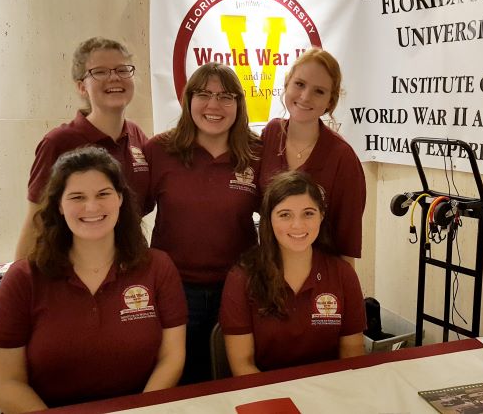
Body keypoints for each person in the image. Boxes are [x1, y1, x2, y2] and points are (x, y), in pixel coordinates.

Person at [0, 146, 186, 412]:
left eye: (103, 194)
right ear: (59, 205)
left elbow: (171, 358)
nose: (91, 207)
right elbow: (7, 384)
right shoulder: (23, 279)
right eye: (77, 197)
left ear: (120, 199)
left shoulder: (158, 267)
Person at [144, 63, 261, 384]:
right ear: (188, 99)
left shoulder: (256, 153)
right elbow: (125, 216)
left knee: (230, 376)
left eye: (225, 96)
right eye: (204, 94)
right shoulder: (159, 150)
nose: (214, 105)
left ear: (239, 103)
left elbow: (281, 217)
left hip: (239, 288)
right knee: (181, 378)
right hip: (175, 289)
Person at [15, 37, 150, 261]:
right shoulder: (59, 142)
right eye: (100, 72)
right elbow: (36, 220)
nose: (114, 77)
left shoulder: (138, 137)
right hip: (71, 273)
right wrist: (19, 283)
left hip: (128, 268)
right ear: (81, 87)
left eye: (123, 69)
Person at [220, 170, 366, 375]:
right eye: (285, 214)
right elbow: (242, 366)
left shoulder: (343, 274)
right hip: (266, 394)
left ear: (321, 216)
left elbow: (352, 355)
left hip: (328, 393)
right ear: (268, 219)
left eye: (308, 213)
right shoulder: (241, 278)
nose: (298, 225)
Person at [259, 48, 366, 266]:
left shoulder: (342, 158)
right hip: (269, 271)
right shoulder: (270, 134)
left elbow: (347, 241)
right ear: (287, 84)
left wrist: (345, 295)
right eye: (299, 84)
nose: (305, 96)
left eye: (319, 91)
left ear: (330, 101)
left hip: (319, 280)